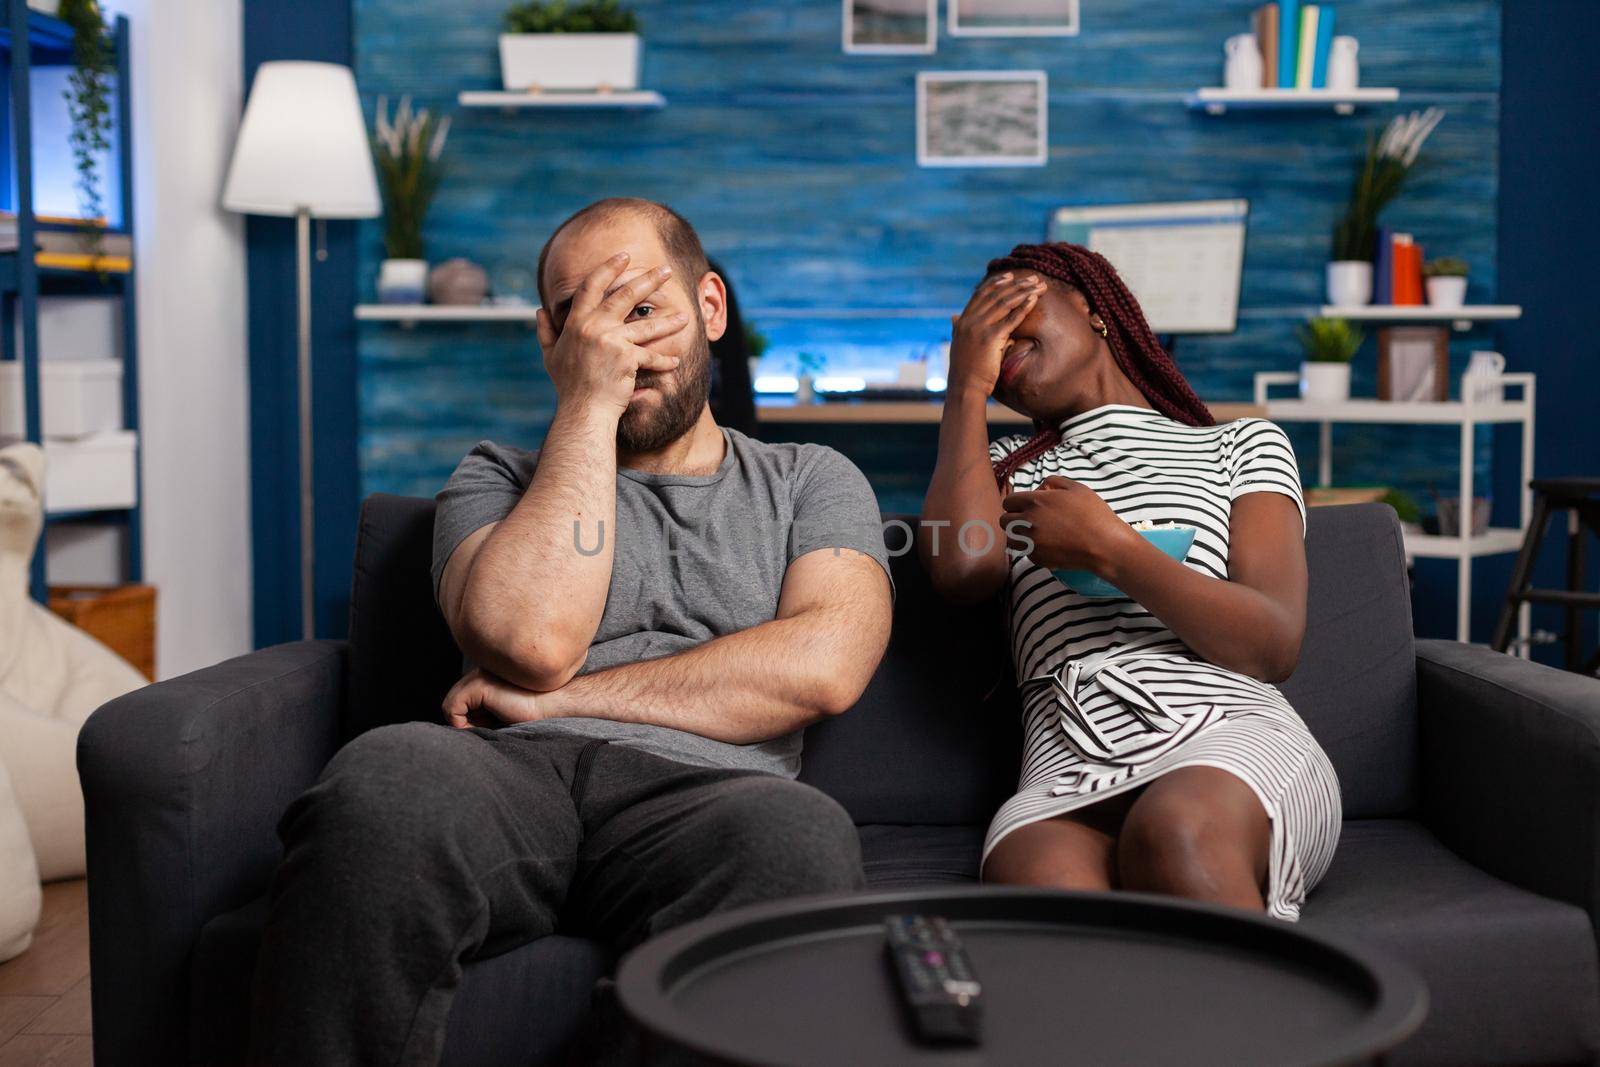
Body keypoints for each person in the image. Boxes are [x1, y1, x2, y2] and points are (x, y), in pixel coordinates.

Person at [248, 198, 894, 1065]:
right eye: (585, 320)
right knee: (385, 780)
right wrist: (589, 405)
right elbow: (534, 642)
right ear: (553, 343)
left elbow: (825, 667)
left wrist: (559, 702)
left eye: (639, 309)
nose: (619, 346)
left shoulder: (811, 480)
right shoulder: (492, 477)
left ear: (709, 309)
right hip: (501, 778)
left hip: (708, 797)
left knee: (800, 838)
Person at [920, 242, 1340, 922]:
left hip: (1226, 737)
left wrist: (1113, 550)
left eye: (1012, 303)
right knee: (1041, 881)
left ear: (1090, 307)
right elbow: (962, 569)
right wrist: (965, 386)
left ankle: (1290, 1026)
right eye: (978, 328)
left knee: (1175, 834)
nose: (997, 334)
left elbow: (1274, 642)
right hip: (1068, 760)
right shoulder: (997, 469)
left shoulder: (1239, 445)